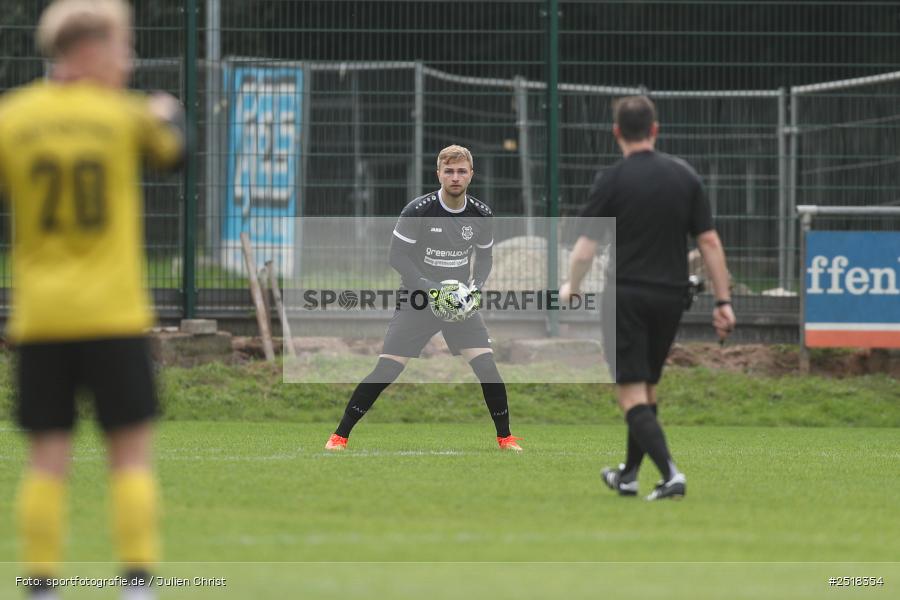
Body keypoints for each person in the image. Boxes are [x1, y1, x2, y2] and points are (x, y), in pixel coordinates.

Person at [0, 1, 185, 597]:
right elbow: (176, 152)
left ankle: (41, 586)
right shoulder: (124, 115)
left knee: (46, 461)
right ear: (89, 50)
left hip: (41, 319)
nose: (128, 61)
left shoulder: (13, 117)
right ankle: (137, 583)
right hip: (113, 316)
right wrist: (169, 112)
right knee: (129, 456)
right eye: (121, 48)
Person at [560, 96, 735, 501]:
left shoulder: (612, 180)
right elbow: (709, 241)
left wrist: (572, 286)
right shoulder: (685, 176)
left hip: (626, 296)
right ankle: (628, 476)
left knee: (630, 394)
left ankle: (672, 475)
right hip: (671, 298)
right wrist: (723, 302)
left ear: (616, 132)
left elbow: (584, 251)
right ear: (655, 129)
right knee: (648, 389)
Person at [325, 145, 522, 452]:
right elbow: (397, 256)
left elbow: (485, 258)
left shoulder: (481, 214)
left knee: (487, 368)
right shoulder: (418, 211)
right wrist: (430, 288)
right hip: (417, 301)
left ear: (471, 174)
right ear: (438, 174)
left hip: (457, 304)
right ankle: (339, 436)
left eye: (461, 171)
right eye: (449, 171)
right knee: (387, 369)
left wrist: (475, 289)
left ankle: (506, 439)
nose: (455, 177)